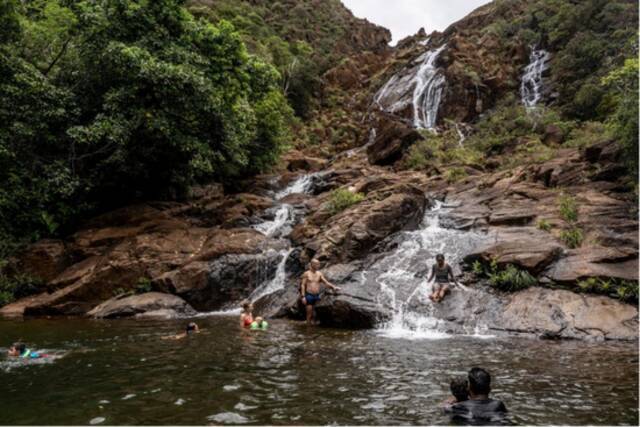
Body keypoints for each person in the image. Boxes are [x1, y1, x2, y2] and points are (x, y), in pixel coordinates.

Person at [300, 259, 341, 324]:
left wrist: (334, 287)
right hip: (309, 295)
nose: (318, 265)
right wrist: (303, 296)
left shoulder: (319, 274)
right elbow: (302, 285)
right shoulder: (306, 273)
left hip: (317, 295)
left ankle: (313, 330)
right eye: (317, 264)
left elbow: (326, 282)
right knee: (309, 315)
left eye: (318, 264)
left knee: (315, 315)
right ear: (312, 264)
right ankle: (308, 329)